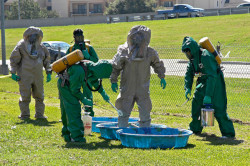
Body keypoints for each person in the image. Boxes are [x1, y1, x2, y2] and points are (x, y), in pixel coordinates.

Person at [110, 25, 166, 128]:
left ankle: (144, 134)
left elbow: (157, 64)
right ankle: (122, 133)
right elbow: (116, 66)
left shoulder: (150, 52)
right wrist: (113, 80)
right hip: (128, 88)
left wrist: (162, 76)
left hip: (142, 88)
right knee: (123, 111)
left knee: (145, 112)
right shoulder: (123, 51)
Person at [181, 36, 235, 138]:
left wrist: (208, 95)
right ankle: (195, 128)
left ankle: (228, 133)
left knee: (219, 107)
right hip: (202, 82)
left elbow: (212, 76)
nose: (187, 54)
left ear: (192, 49)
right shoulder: (192, 59)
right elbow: (189, 73)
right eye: (185, 52)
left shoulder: (205, 55)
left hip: (215, 82)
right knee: (196, 104)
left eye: (188, 51)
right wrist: (187, 87)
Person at [58, 60, 112, 142]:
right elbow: (74, 89)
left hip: (67, 83)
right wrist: (83, 99)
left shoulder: (91, 67)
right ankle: (76, 137)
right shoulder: (79, 71)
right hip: (66, 86)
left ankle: (67, 133)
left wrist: (103, 93)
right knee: (73, 109)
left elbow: (94, 81)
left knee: (67, 110)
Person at [10, 26, 51, 120]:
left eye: (35, 36)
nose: (33, 38)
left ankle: (39, 114)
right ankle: (24, 115)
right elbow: (14, 59)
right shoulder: (21, 46)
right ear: (27, 36)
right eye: (31, 35)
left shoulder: (41, 47)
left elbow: (47, 60)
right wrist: (13, 72)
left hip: (38, 75)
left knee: (40, 95)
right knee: (25, 96)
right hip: (25, 75)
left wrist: (48, 72)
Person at [66, 29, 99, 116]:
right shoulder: (70, 49)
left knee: (88, 95)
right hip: (75, 76)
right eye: (78, 37)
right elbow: (65, 63)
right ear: (74, 38)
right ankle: (75, 114)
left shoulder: (89, 48)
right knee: (74, 94)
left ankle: (89, 114)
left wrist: (88, 57)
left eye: (81, 37)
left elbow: (96, 61)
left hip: (87, 76)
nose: (80, 39)